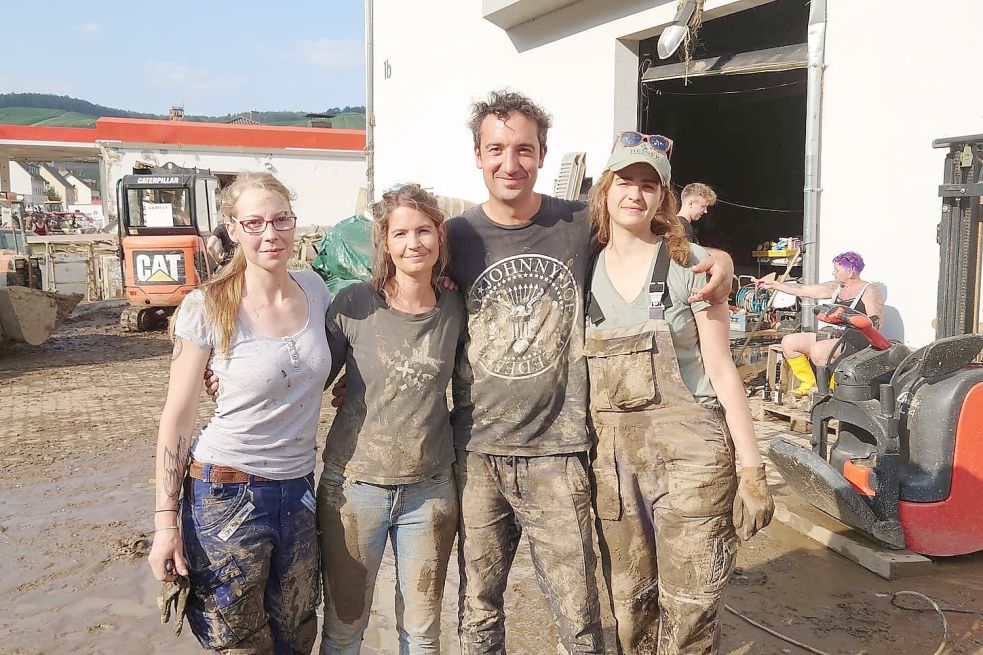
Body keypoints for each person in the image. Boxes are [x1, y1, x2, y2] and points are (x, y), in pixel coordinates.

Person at [446, 90, 735, 654]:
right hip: (475, 451)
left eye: (524, 149)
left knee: (578, 615)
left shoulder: (576, 223)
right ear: (477, 155)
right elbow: (397, 269)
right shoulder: (455, 237)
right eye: (496, 149)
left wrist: (717, 261)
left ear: (543, 154)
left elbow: (660, 238)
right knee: (477, 608)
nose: (511, 163)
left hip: (560, 451)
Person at [586, 135, 773, 653]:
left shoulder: (690, 263)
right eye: (625, 182)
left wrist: (752, 469)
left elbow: (721, 367)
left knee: (689, 605)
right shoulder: (582, 268)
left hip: (692, 454)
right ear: (605, 190)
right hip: (614, 459)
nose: (635, 194)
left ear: (663, 198)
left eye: (650, 185)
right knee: (628, 602)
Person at [147, 171, 331, 653]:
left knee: (297, 633)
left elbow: (322, 367)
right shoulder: (206, 306)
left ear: (295, 223)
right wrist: (166, 523)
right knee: (238, 642)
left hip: (298, 491)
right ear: (231, 228)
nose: (270, 234)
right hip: (226, 494)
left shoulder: (316, 290)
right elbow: (178, 417)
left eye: (281, 220)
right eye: (254, 223)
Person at [317, 184, 464, 654]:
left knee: (421, 632)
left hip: (430, 489)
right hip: (355, 488)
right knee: (344, 629)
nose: (413, 243)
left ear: (440, 236)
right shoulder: (354, 305)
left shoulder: (455, 306)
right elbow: (308, 376)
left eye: (423, 231)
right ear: (385, 242)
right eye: (400, 233)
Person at [755, 251, 884, 396]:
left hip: (855, 340)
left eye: (837, 270)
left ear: (850, 272)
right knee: (789, 342)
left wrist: (851, 321)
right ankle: (809, 384)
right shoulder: (836, 287)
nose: (833, 273)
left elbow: (875, 322)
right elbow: (804, 290)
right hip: (832, 334)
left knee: (818, 350)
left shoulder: (869, 290)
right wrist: (774, 285)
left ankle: (832, 390)